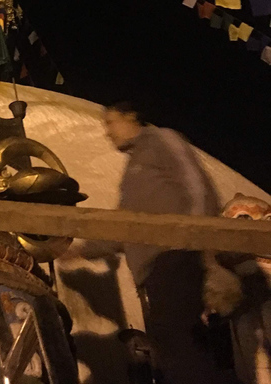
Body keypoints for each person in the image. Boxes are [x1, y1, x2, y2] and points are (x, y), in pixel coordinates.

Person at [102, 101, 242, 384]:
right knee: (174, 345)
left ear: (131, 117)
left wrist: (201, 245)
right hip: (155, 270)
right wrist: (81, 248)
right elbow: (127, 225)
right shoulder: (135, 167)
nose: (107, 132)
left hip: (176, 256)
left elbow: (198, 186)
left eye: (110, 122)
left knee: (180, 345)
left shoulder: (161, 139)